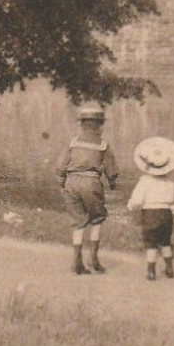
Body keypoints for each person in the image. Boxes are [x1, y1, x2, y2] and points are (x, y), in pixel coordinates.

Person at [56, 103, 118, 275]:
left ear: (82, 124)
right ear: (99, 125)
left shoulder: (73, 143)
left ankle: (76, 262)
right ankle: (94, 260)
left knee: (78, 222)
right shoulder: (103, 144)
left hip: (71, 182)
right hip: (91, 182)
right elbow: (111, 169)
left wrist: (62, 181)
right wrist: (112, 182)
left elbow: (61, 165)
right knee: (97, 219)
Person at [126, 137, 174, 280]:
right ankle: (169, 269)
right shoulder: (171, 182)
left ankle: (151, 271)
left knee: (151, 243)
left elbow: (138, 199)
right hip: (166, 213)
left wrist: (131, 205)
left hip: (150, 214)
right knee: (165, 241)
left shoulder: (145, 181)